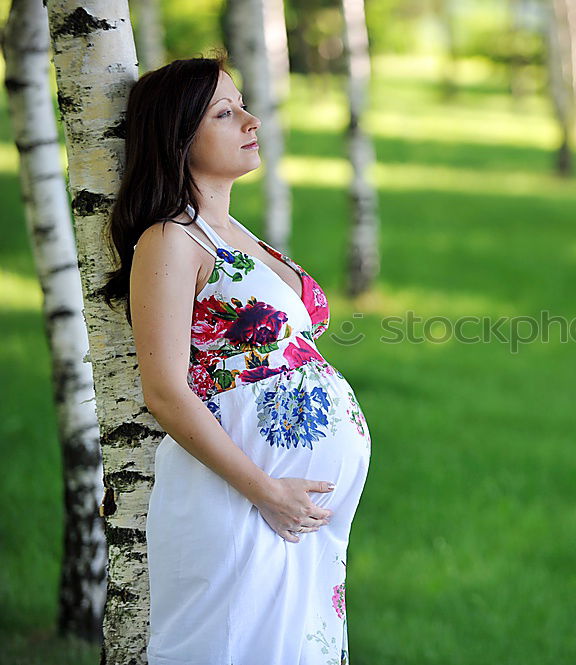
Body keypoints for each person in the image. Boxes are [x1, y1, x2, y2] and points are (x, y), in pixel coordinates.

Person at [97, 54, 371, 664]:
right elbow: (166, 392)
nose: (251, 121)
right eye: (225, 113)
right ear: (179, 138)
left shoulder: (234, 230)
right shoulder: (170, 239)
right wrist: (267, 491)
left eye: (242, 104)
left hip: (295, 512)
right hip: (243, 498)